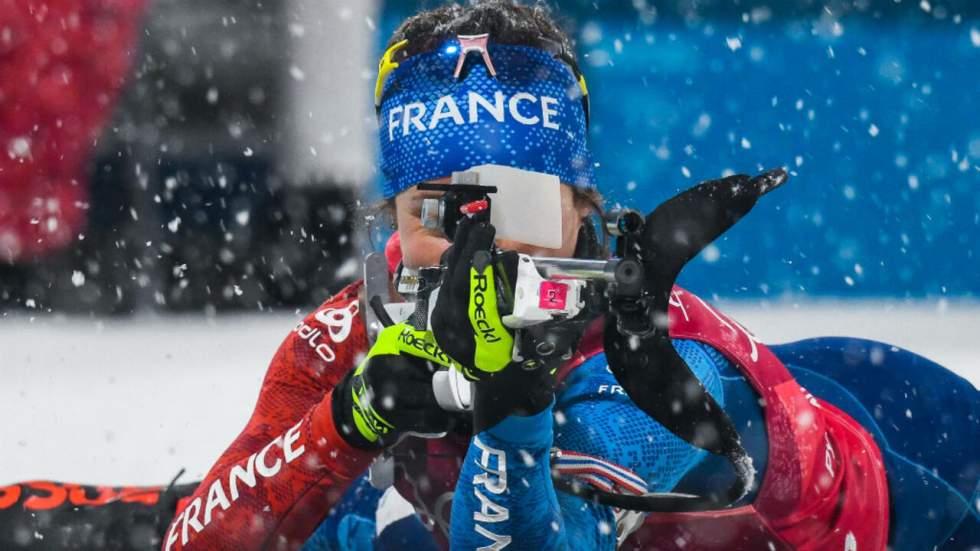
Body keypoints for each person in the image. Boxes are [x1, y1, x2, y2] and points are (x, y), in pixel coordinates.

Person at [1, 2, 976, 551]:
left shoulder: (646, 353)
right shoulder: (350, 327)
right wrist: (344, 423)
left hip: (903, 452)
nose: (485, 248)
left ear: (580, 214)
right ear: (393, 227)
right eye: (443, 213)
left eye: (515, 205)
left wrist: (512, 421)